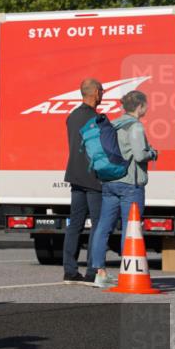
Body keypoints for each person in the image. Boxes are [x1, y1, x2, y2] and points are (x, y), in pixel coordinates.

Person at [86, 90, 158, 288]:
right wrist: (152, 153)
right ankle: (129, 272)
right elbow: (140, 155)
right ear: (140, 106)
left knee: (103, 226)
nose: (147, 108)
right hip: (129, 185)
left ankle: (99, 272)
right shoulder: (135, 126)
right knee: (131, 228)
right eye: (146, 105)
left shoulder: (114, 124)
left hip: (110, 182)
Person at [63, 78, 103, 284]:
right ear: (95, 92)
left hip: (75, 175)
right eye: (101, 90)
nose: (102, 94)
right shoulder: (97, 119)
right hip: (93, 177)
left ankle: (69, 270)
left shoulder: (72, 116)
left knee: (75, 224)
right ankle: (92, 271)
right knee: (98, 224)